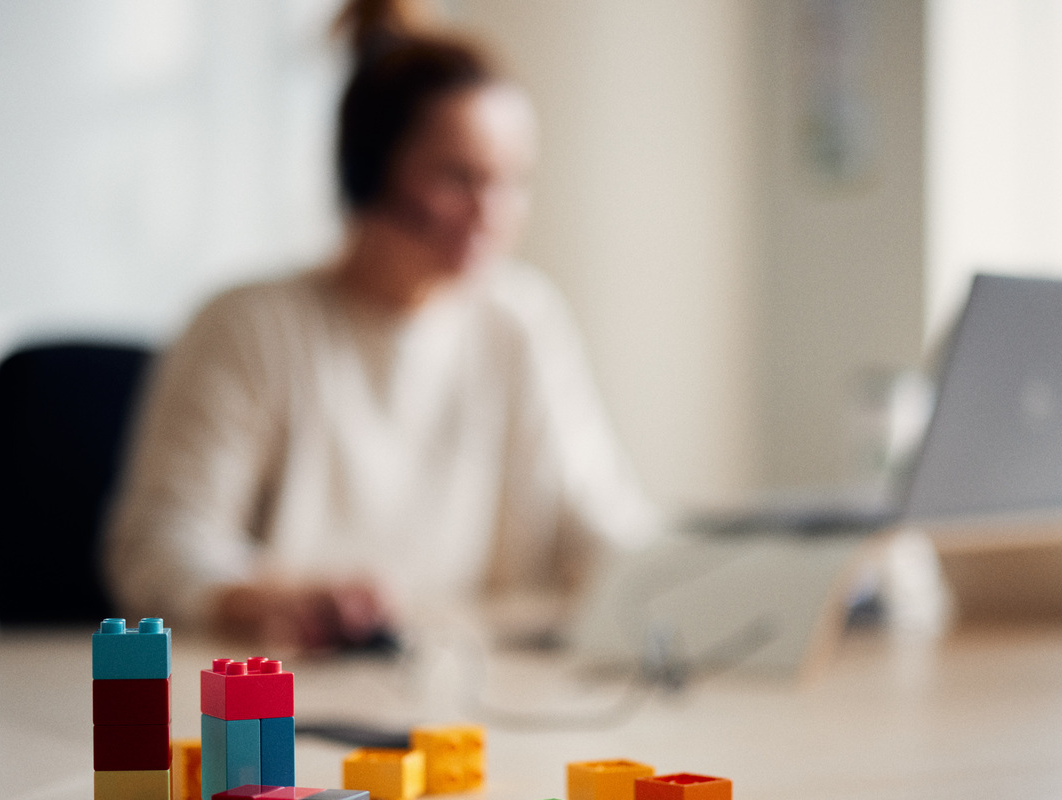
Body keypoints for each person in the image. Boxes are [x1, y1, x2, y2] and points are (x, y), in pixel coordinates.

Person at [105, 0, 657, 651]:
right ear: (365, 171)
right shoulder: (249, 328)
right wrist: (277, 597)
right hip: (285, 693)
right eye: (459, 177)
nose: (491, 213)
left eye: (512, 182)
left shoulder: (522, 321)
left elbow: (598, 521)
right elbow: (161, 549)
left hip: (473, 693)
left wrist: (721, 573)